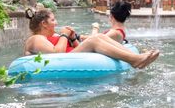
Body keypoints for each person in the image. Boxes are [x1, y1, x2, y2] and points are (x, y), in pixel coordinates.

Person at [24, 8, 159, 70]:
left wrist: (72, 39)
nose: (56, 23)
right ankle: (134, 60)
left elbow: (77, 48)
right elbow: (56, 54)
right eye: (53, 20)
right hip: (61, 61)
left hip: (69, 58)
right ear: (44, 24)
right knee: (94, 40)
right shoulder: (36, 39)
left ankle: (135, 57)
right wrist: (64, 35)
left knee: (98, 36)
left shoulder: (54, 37)